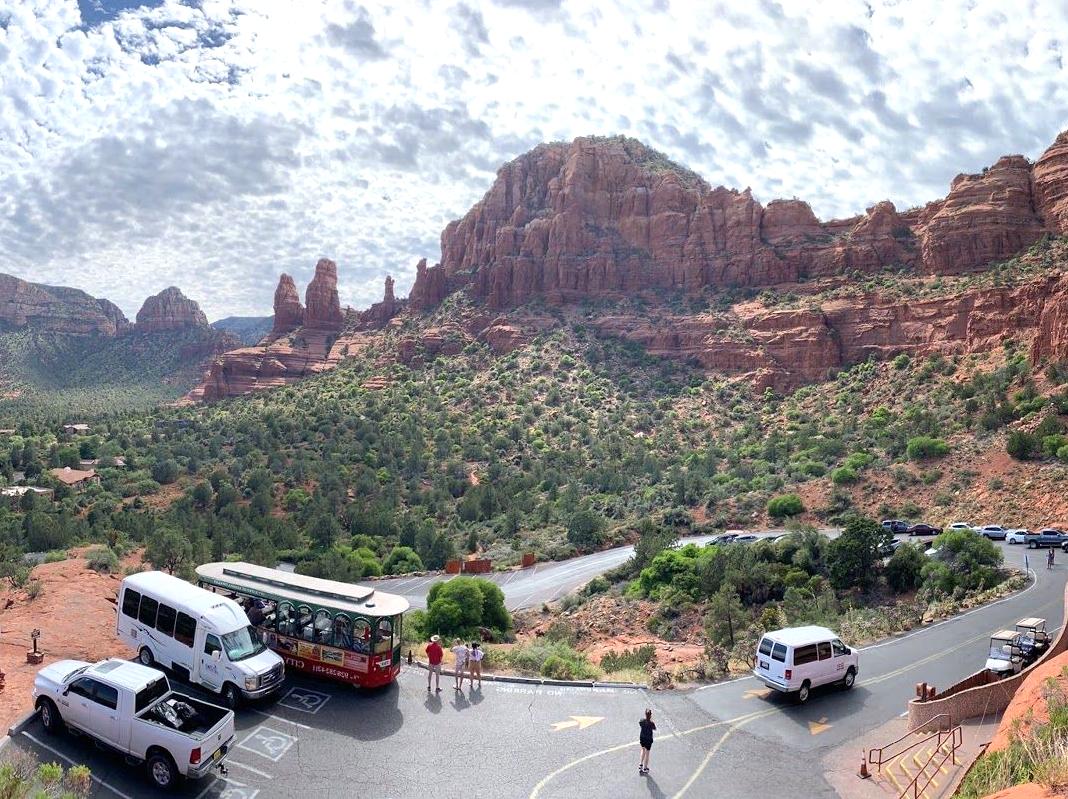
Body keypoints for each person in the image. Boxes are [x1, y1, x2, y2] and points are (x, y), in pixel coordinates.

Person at [638, 708, 656, 775]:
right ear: (651, 715)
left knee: (643, 750)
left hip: (642, 737)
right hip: (648, 739)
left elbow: (640, 724)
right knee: (647, 753)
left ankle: (640, 765)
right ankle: (645, 768)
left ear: (645, 714)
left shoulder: (642, 721)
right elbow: (654, 728)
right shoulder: (651, 723)